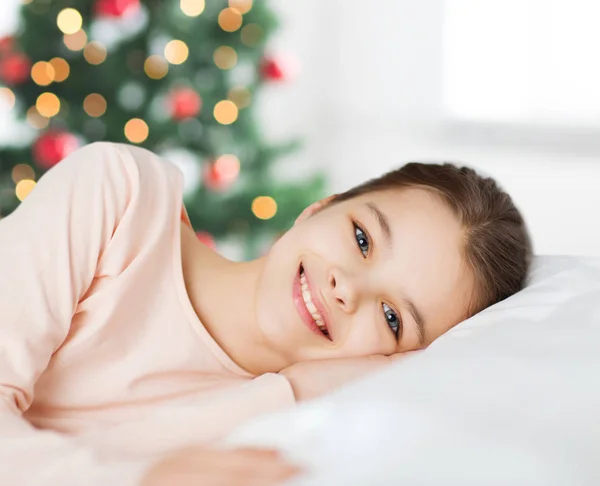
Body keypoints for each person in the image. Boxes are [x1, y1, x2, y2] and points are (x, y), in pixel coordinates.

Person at [0, 141, 532, 485]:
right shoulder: (121, 198)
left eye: (392, 319)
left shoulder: (283, 423)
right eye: (362, 238)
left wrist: (288, 393)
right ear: (321, 207)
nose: (348, 288)